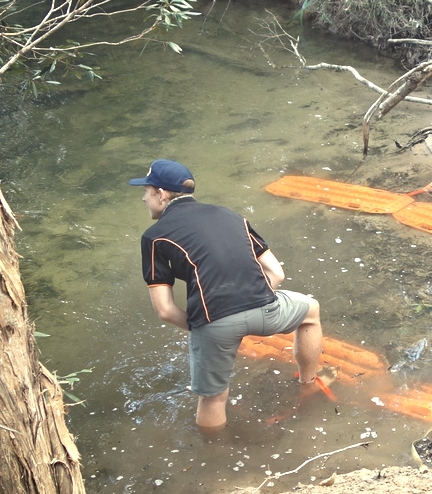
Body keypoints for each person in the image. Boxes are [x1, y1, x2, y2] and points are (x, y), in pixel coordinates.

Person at [131, 159, 321, 431]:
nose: (143, 198)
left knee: (214, 398)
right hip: (266, 308)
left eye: (146, 191)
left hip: (215, 323)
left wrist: (205, 329)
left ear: (161, 194)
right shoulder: (231, 216)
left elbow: (165, 310)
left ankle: (215, 458)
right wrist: (251, 305)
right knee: (310, 312)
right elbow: (276, 274)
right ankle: (309, 385)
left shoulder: (155, 237)